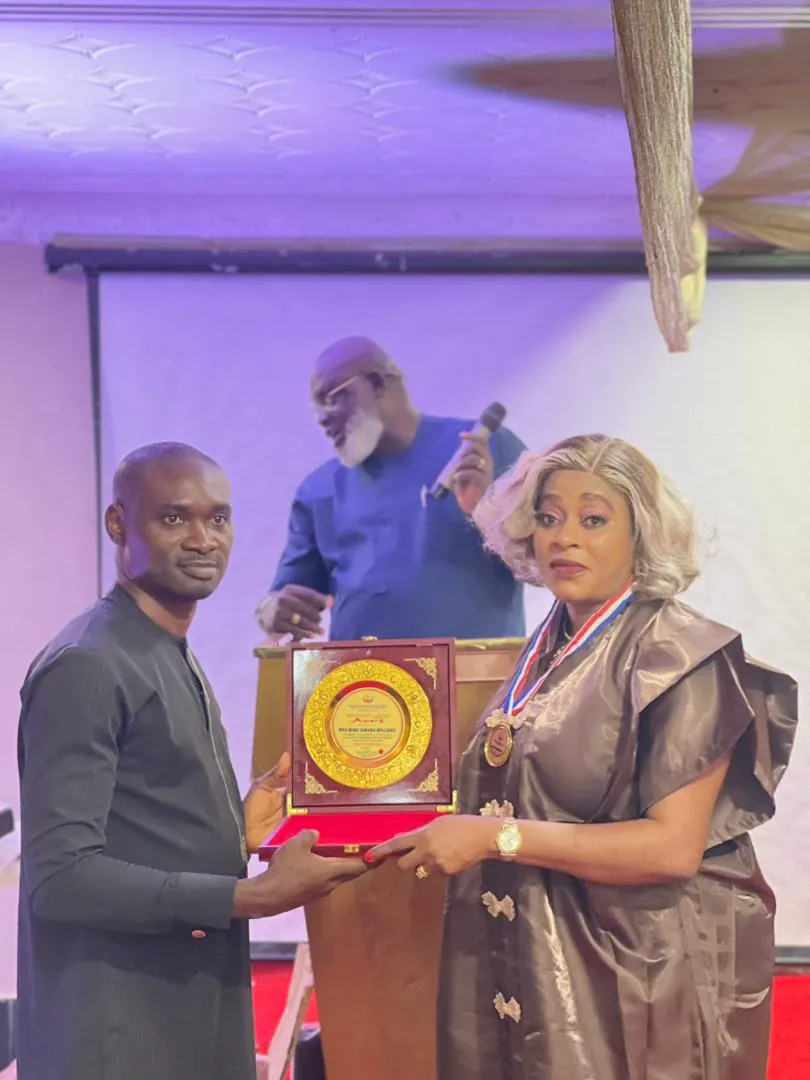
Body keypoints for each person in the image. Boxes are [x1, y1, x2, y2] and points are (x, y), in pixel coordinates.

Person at [367, 434, 798, 1080]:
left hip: (647, 973)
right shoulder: (549, 644)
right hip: (540, 952)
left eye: (593, 520)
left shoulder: (681, 655)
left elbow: (671, 849)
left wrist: (493, 837)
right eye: (548, 518)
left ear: (640, 534)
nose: (564, 537)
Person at [16, 442, 366, 1080]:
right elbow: (61, 878)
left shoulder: (163, 646)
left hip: (181, 1012)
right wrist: (248, 896)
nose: (203, 540)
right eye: (174, 517)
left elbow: (141, 823)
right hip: (119, 1037)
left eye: (218, 518)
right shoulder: (89, 664)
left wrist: (237, 827)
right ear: (118, 524)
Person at [255, 336, 527, 642]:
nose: (321, 418)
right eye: (315, 409)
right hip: (362, 673)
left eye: (330, 399)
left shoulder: (483, 450)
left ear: (376, 383)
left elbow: (543, 558)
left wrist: (487, 509)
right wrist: (269, 610)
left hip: (479, 669)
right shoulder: (318, 491)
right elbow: (286, 595)